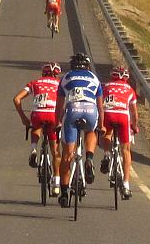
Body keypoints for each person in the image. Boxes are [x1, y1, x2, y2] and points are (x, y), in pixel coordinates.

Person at [55, 53, 103, 206]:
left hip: (73, 110)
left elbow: (59, 107)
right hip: (90, 110)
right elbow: (101, 108)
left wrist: (58, 122)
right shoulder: (94, 78)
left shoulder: (66, 77)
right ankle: (89, 158)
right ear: (87, 66)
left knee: (67, 156)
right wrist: (101, 125)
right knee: (91, 131)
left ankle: (63, 194)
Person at [13, 62, 62, 194]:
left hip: (37, 115)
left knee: (36, 125)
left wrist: (23, 118)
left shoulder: (34, 83)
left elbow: (17, 99)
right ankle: (56, 184)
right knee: (55, 152)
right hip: (52, 115)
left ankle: (33, 149)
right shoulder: (60, 84)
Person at [100, 66, 139, 200]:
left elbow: (99, 103)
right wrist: (135, 126)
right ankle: (126, 184)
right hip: (123, 116)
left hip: (108, 115)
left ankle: (106, 154)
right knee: (126, 150)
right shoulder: (130, 89)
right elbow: (134, 112)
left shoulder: (106, 86)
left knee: (107, 133)